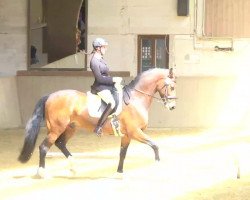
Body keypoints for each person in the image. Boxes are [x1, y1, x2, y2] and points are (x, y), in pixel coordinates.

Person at [90, 38, 122, 136]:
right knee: (111, 103)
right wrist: (113, 80)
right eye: (104, 47)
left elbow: (106, 74)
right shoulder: (94, 61)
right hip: (100, 87)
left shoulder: (101, 59)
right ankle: (98, 127)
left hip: (106, 85)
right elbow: (99, 78)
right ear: (98, 48)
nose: (105, 49)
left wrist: (115, 82)